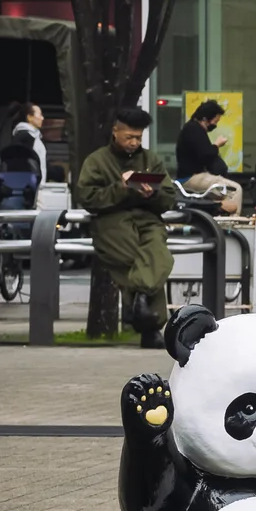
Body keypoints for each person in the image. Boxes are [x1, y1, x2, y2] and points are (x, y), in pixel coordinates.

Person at [74, 106, 176, 346]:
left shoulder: (151, 159)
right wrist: (120, 188)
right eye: (129, 137)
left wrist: (152, 194)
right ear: (115, 131)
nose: (134, 142)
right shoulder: (97, 161)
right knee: (138, 260)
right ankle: (150, 327)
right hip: (112, 221)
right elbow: (87, 197)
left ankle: (140, 304)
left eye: (138, 138)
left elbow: (169, 197)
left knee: (157, 256)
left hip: (149, 219)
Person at [175, 99, 241, 215]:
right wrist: (217, 145)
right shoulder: (194, 129)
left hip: (190, 176)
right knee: (234, 190)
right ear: (205, 119)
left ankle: (220, 220)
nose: (215, 125)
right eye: (215, 121)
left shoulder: (192, 129)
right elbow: (205, 154)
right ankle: (232, 225)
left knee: (222, 194)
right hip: (191, 177)